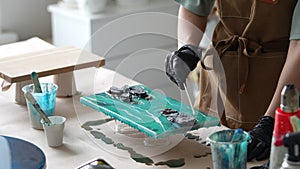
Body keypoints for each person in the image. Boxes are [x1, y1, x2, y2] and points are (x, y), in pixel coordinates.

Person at [165, 0, 300, 162]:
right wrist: (187, 48)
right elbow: (194, 7)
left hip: (281, 86)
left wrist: (271, 122)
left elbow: (298, 46)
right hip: (219, 81)